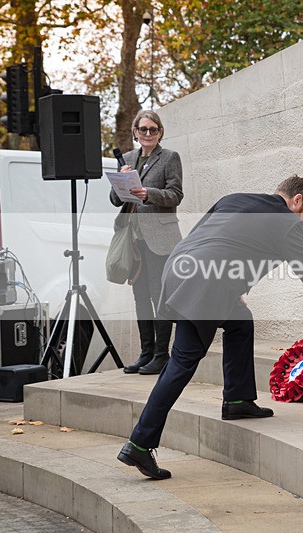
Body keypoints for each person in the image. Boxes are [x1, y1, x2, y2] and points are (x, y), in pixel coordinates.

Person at [117, 175, 303, 479]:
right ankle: (140, 442)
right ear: (297, 200)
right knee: (182, 362)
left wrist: (231, 289)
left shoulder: (234, 198)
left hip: (180, 269)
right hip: (205, 285)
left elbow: (211, 238)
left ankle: (238, 400)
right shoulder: (288, 222)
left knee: (241, 323)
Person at [111, 110, 184, 375]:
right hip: (134, 238)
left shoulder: (169, 158)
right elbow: (115, 199)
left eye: (153, 129)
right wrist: (121, 179)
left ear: (160, 132)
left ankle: (162, 354)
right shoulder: (128, 158)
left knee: (158, 295)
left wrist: (148, 193)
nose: (148, 134)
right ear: (135, 132)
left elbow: (176, 195)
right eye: (143, 130)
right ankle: (146, 353)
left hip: (160, 238)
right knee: (140, 296)